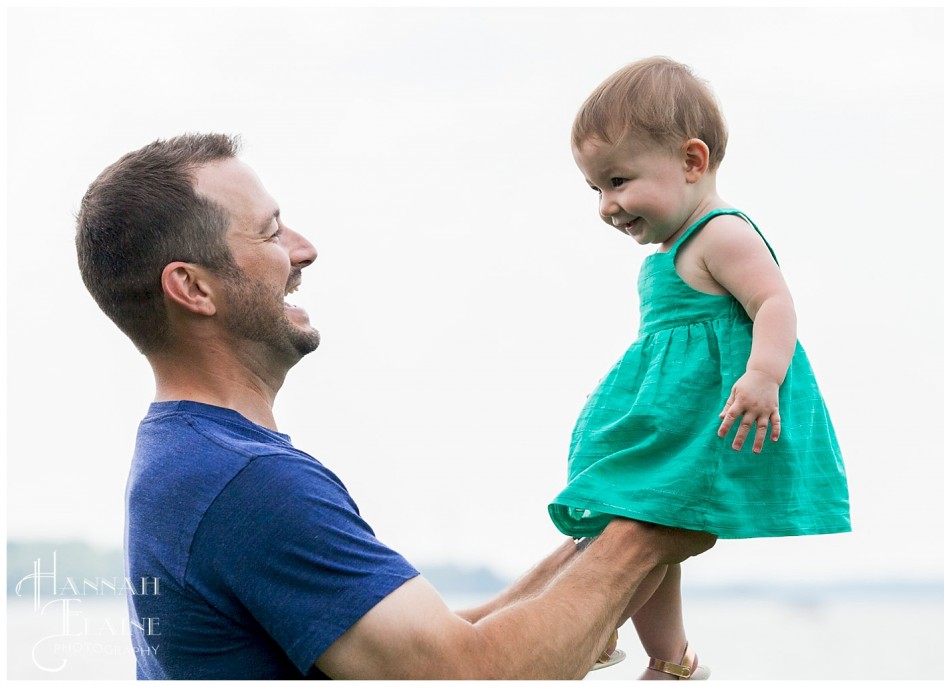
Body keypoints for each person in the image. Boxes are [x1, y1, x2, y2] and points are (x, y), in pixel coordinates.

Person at [74, 133, 716, 680]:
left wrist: (601, 540)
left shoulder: (190, 457)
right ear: (191, 287)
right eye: (271, 231)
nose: (304, 248)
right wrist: (651, 528)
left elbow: (422, 645)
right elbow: (465, 676)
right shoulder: (246, 484)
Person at [548, 57, 852, 680]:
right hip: (670, 415)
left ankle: (594, 627)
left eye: (619, 180)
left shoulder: (722, 233)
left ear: (692, 161)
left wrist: (764, 374)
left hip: (709, 420)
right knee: (631, 520)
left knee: (634, 516)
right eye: (596, 189)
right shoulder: (668, 250)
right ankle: (670, 658)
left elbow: (774, 302)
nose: (607, 204)